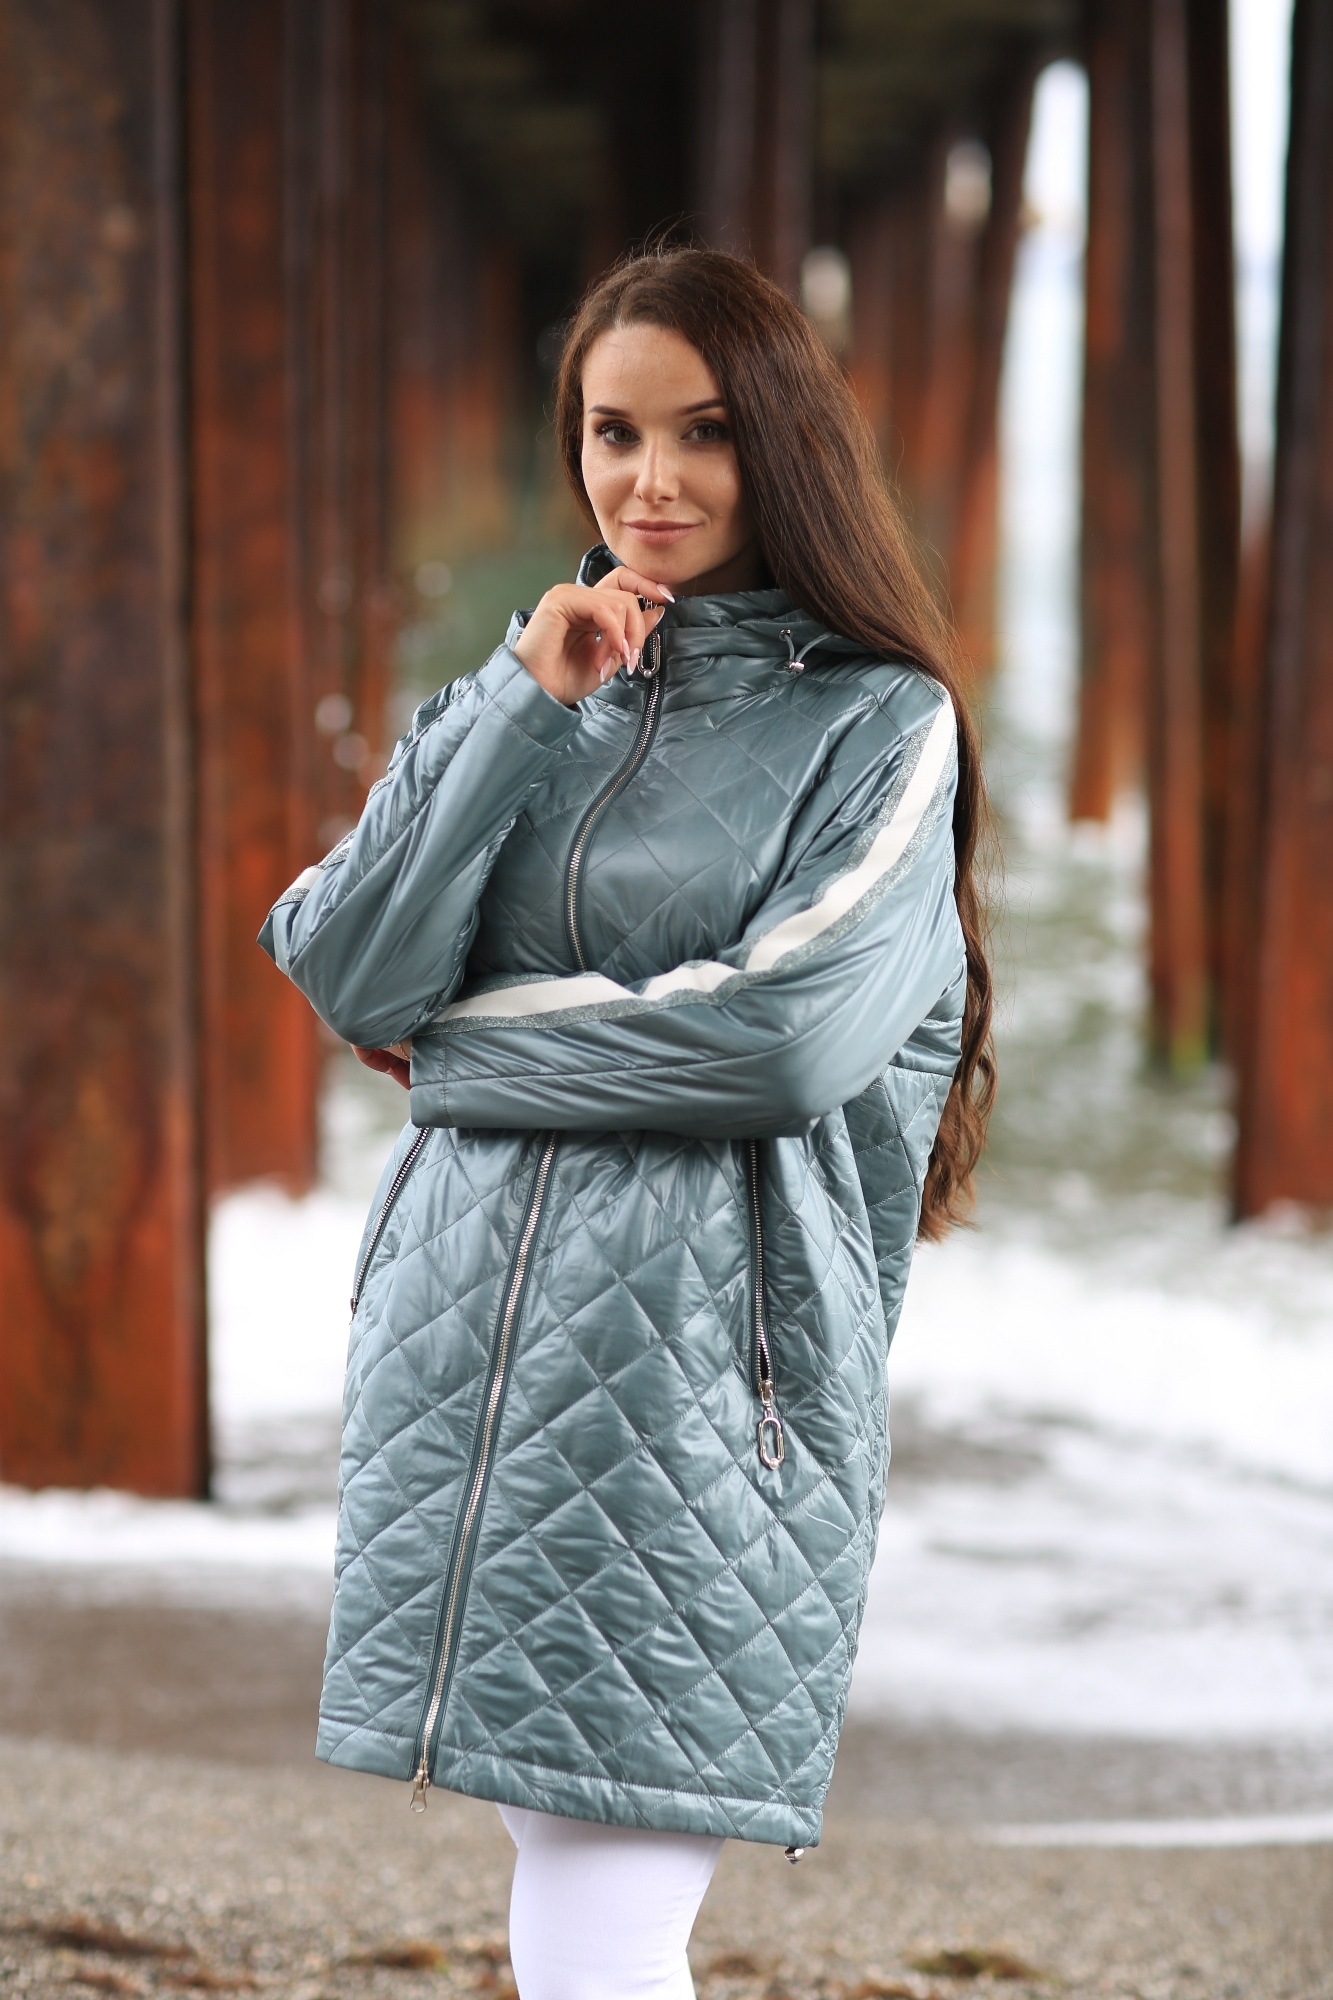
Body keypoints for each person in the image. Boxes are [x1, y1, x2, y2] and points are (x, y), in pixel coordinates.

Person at [260, 246, 994, 2000]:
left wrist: (462, 1059)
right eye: (612, 432)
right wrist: (524, 707)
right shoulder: (521, 696)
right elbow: (349, 964)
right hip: (463, 1366)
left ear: (782, 445)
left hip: (698, 1386)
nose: (649, 481)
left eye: (704, 432)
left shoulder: (878, 723)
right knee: (568, 1886)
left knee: (603, 1910)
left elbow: (777, 1041)